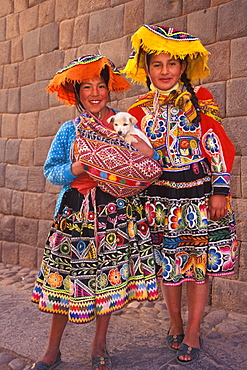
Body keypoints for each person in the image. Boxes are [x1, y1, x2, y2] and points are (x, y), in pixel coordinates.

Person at [29, 54, 159, 370]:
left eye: (100, 85)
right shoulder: (68, 131)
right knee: (62, 280)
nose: (95, 93)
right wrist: (76, 167)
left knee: (108, 281)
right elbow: (51, 171)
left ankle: (99, 344)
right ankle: (51, 349)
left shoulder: (124, 123)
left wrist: (129, 144)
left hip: (115, 213)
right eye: (87, 87)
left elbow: (145, 157)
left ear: (108, 90)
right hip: (75, 214)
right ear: (77, 93)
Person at [122, 25, 238, 365]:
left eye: (172, 64)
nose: (165, 71)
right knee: (168, 265)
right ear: (147, 69)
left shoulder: (200, 100)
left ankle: (193, 330)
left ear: (183, 67)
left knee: (196, 264)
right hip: (159, 199)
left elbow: (217, 144)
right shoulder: (140, 110)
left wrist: (220, 189)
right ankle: (174, 322)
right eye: (157, 65)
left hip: (199, 194)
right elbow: (133, 156)